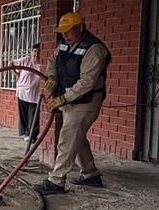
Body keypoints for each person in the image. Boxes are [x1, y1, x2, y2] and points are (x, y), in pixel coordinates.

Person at [33, 12, 111, 195]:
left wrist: (63, 98)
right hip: (70, 100)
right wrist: (52, 76)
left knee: (68, 138)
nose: (65, 35)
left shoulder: (94, 49)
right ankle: (91, 174)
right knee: (77, 136)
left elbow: (87, 82)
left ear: (80, 28)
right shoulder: (64, 44)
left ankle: (56, 180)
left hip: (86, 101)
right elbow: (53, 60)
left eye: (68, 31)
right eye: (63, 31)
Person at [10, 44, 42, 142]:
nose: (36, 54)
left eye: (38, 52)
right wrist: (17, 74)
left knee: (33, 115)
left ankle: (31, 135)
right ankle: (26, 133)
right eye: (34, 51)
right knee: (23, 114)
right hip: (22, 92)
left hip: (35, 94)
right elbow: (11, 63)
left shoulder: (43, 64)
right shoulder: (26, 60)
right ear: (31, 52)